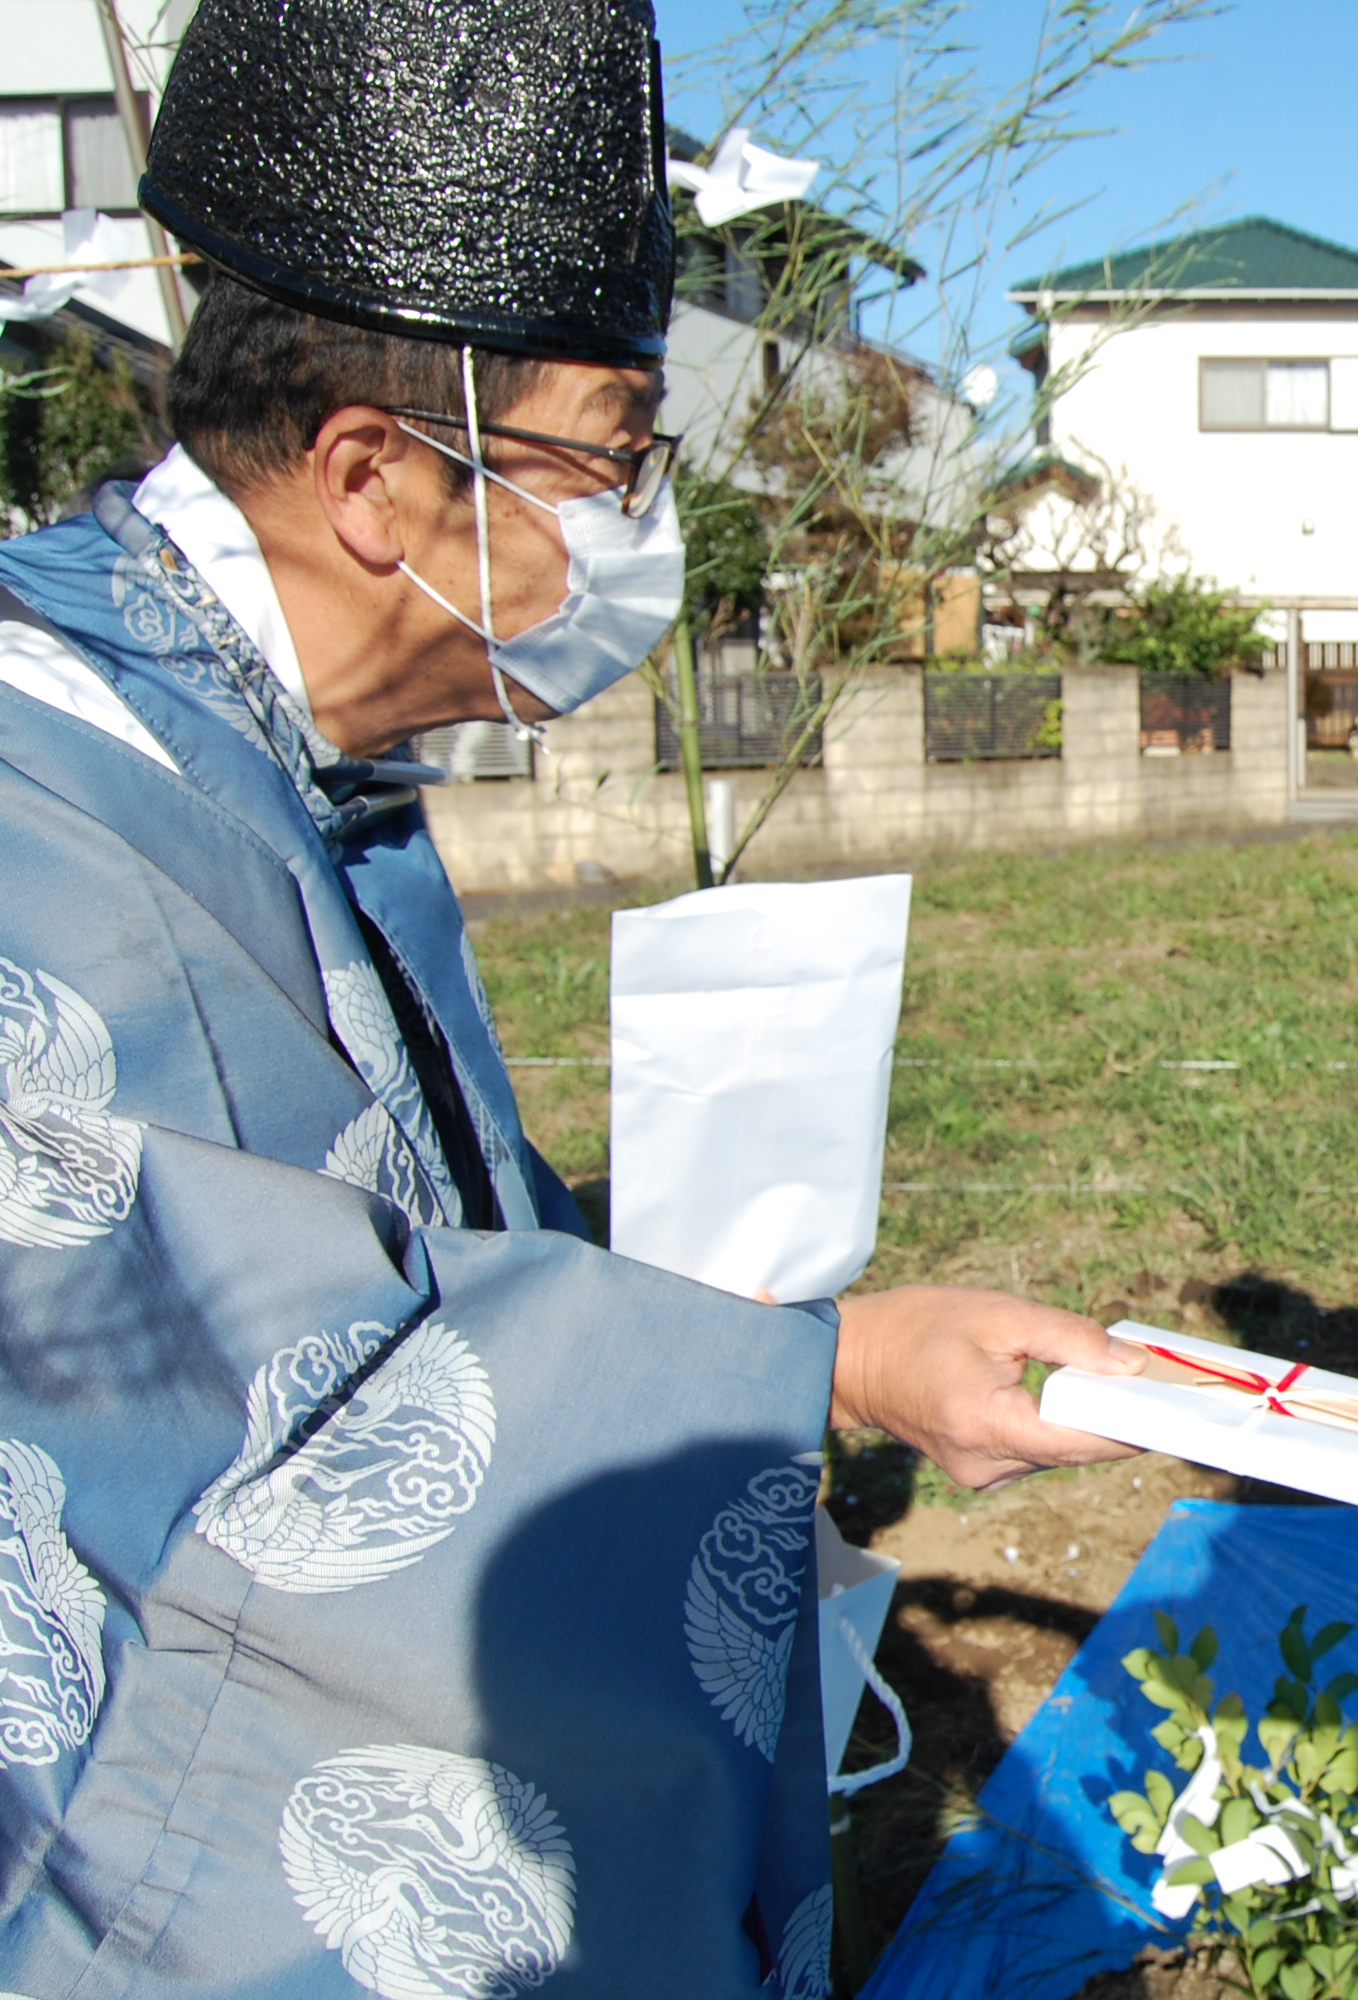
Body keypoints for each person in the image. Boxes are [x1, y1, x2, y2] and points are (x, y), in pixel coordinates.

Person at [0, 2, 1132, 1991]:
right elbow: (248, 1446)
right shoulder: (48, 819)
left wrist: (775, 1335)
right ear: (375, 479)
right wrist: (827, 1373)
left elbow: (404, 1248)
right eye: (609, 472)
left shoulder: (284, 754)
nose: (642, 541)